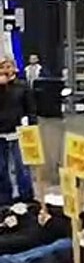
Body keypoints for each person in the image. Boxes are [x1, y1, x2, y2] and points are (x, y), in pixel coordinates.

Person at [0, 57, 37, 203]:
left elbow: (31, 108)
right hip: (1, 132)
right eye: (2, 67)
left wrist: (32, 126)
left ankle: (26, 196)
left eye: (8, 67)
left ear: (14, 68)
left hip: (19, 131)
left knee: (22, 166)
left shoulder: (22, 86)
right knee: (1, 168)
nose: (6, 70)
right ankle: (4, 197)